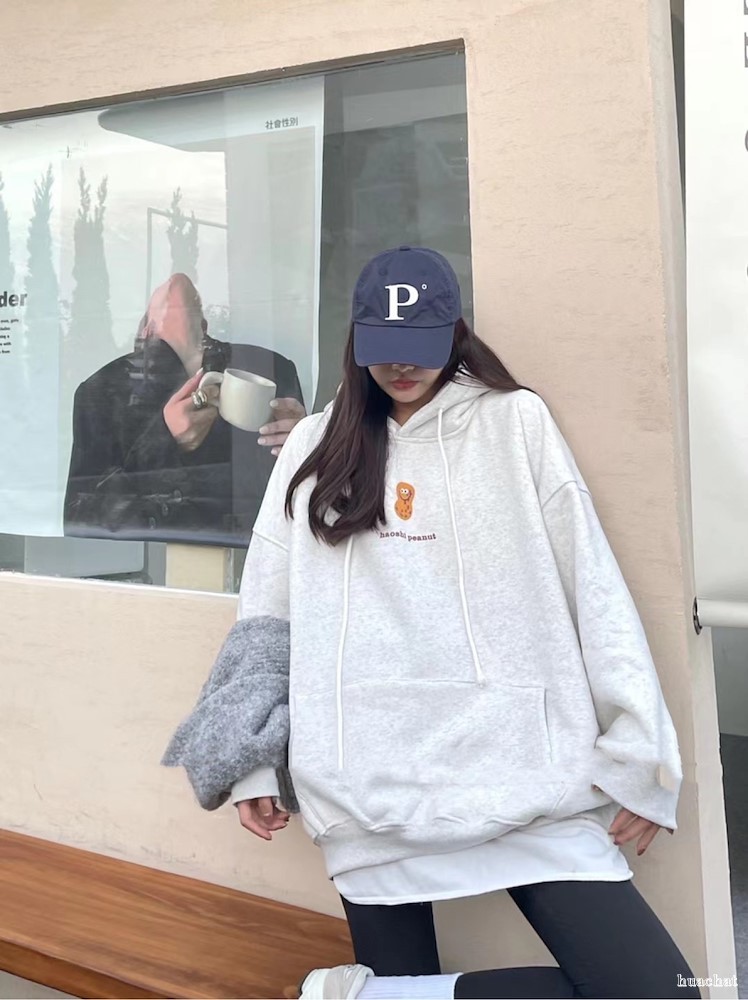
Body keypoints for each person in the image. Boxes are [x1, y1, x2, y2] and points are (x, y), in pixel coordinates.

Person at [227, 246, 699, 998]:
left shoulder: (515, 423)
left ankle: (360, 997)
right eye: (385, 347)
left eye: (421, 345)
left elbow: (591, 584)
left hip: (523, 774)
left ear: (455, 332)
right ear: (356, 341)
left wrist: (640, 751)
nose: (402, 366)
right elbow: (266, 608)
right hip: (367, 783)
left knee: (657, 990)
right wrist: (251, 756)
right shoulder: (315, 447)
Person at [64, 273, 305, 544]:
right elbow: (82, 520)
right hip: (154, 560)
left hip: (254, 553)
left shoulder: (267, 369)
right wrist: (165, 441)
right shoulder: (103, 393)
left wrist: (308, 445)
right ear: (145, 333)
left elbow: (307, 506)